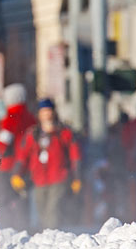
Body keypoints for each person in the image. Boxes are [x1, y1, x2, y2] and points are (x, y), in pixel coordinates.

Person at [10, 98, 82, 230]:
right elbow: (22, 156)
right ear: (39, 114)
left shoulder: (64, 133)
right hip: (38, 180)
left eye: (49, 111)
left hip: (59, 179)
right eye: (44, 112)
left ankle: (53, 237)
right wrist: (16, 174)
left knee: (53, 212)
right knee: (42, 214)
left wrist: (77, 177)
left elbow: (75, 156)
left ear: (54, 112)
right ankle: (47, 241)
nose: (47, 115)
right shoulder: (32, 134)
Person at [0, 83, 37, 229]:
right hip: (26, 165)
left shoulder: (11, 116)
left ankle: (6, 226)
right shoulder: (31, 117)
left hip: (8, 165)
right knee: (22, 196)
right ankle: (24, 225)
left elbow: (4, 141)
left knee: (1, 198)